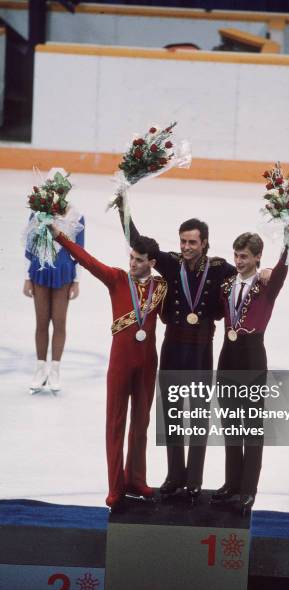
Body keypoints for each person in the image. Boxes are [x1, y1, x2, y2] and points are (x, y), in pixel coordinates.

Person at [117, 208, 272, 501]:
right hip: (173, 346)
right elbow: (138, 241)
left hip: (202, 349)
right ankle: (175, 475)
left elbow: (249, 273)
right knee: (173, 412)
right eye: (183, 242)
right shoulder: (171, 264)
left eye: (192, 242)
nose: (186, 247)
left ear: (204, 243)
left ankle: (194, 479)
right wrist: (123, 207)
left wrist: (268, 272)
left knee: (198, 415)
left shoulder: (220, 269)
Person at [50, 224, 167, 511]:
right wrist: (60, 237)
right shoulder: (116, 278)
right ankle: (116, 487)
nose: (133, 263)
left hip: (148, 361)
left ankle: (136, 479)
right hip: (121, 361)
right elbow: (88, 260)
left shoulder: (161, 287)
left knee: (141, 423)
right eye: (131, 257)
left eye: (139, 260)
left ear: (152, 263)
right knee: (115, 423)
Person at [211, 230, 289, 515]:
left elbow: (281, 270)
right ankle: (232, 483)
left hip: (252, 355)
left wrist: (286, 241)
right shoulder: (228, 284)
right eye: (236, 255)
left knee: (251, 428)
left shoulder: (266, 285)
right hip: (228, 355)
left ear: (258, 257)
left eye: (244, 256)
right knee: (231, 424)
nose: (239, 261)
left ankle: (247, 490)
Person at [23, 174, 84, 393]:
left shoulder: (76, 216)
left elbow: (79, 252)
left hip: (63, 273)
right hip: (40, 272)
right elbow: (29, 248)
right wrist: (28, 277)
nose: (57, 193)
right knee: (41, 322)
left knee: (59, 322)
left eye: (61, 189)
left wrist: (76, 280)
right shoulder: (37, 213)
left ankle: (55, 369)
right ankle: (40, 368)